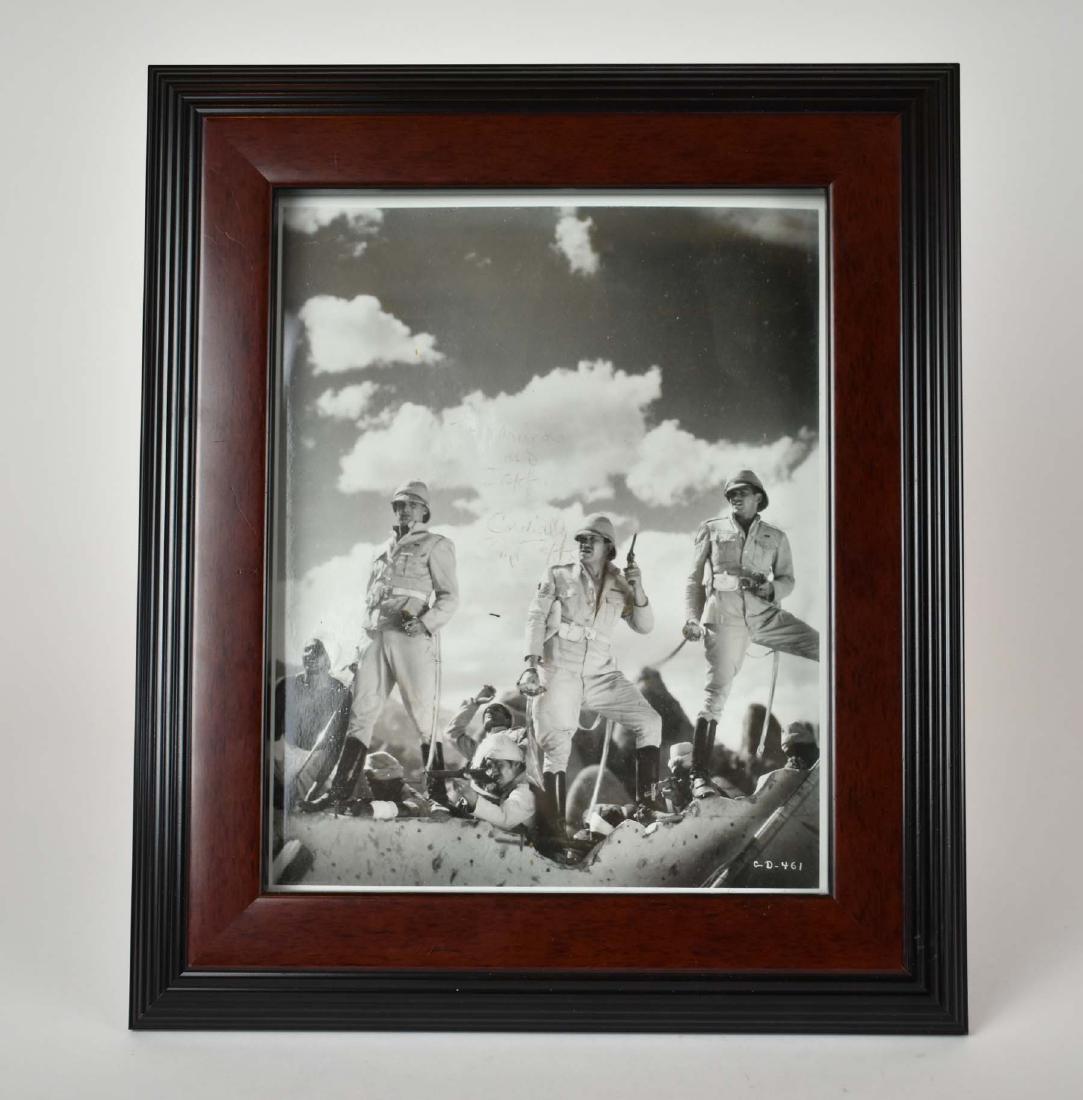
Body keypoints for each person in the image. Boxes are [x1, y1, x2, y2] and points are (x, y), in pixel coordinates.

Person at [299, 480, 458, 814]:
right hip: (374, 637)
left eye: (412, 505)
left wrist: (426, 623)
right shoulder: (379, 551)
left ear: (424, 511)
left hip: (410, 637)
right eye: (399, 505)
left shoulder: (436, 544)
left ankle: (439, 795)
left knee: (424, 716)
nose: (405, 510)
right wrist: (360, 649)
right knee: (361, 714)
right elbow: (369, 603)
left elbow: (449, 597)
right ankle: (339, 793)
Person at [522, 513, 664, 840]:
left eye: (592, 539)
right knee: (557, 748)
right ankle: (554, 834)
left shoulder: (620, 583)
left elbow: (644, 626)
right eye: (581, 539)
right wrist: (531, 664)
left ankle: (648, 806)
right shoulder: (557, 574)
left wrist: (638, 587)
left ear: (608, 547)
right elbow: (535, 618)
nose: (584, 544)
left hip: (601, 673)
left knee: (650, 722)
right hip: (561, 668)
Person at [682, 470, 819, 799]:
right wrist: (692, 618)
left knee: (826, 647)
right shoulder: (711, 529)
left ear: (759, 497)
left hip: (764, 615)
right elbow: (693, 580)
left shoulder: (776, 536)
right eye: (731, 494)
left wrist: (770, 589)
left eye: (742, 492)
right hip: (724, 619)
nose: (735, 498)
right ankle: (698, 776)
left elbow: (787, 580)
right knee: (715, 693)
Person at [451, 731, 537, 835]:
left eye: (499, 765)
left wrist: (472, 797)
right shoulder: (509, 786)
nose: (493, 771)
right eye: (490, 766)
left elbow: (505, 819)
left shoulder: (527, 789)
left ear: (516, 764)